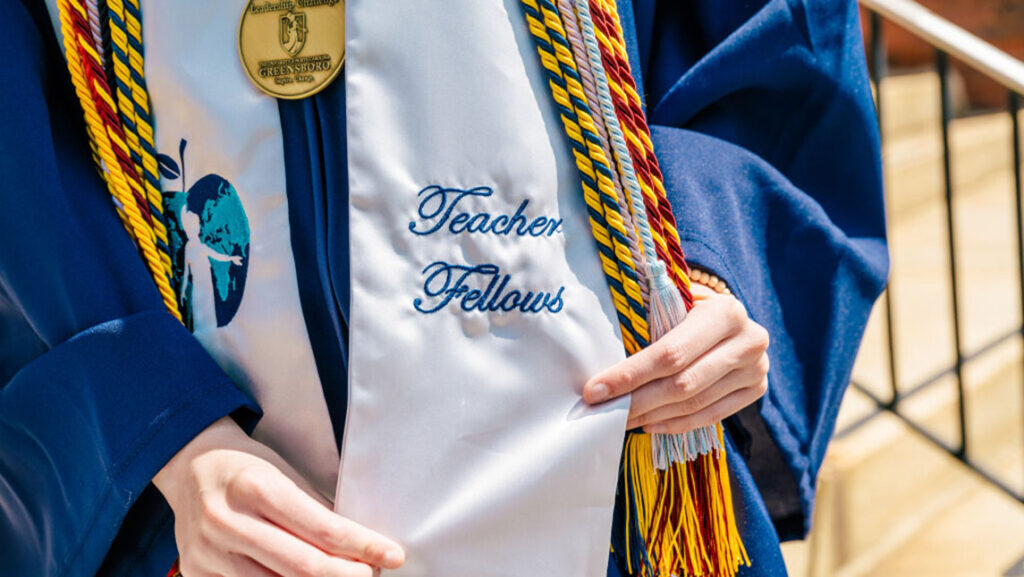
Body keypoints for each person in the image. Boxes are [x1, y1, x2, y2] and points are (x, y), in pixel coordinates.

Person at [0, 0, 888, 576]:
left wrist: (713, 263)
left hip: (613, 498)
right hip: (215, 529)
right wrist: (159, 430)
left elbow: (771, 45)